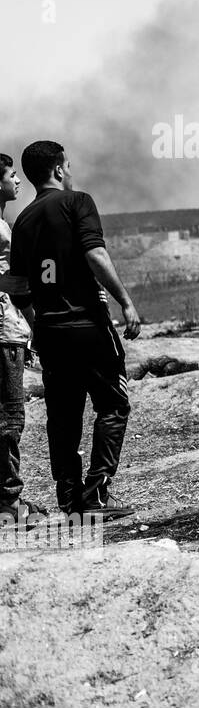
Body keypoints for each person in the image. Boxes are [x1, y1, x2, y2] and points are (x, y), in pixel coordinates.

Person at [9, 141, 139, 520]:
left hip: (51, 331)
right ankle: (97, 493)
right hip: (88, 326)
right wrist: (126, 302)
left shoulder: (24, 221)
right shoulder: (78, 202)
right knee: (113, 404)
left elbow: (18, 288)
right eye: (68, 164)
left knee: (63, 417)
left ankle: (69, 499)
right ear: (59, 170)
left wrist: (39, 322)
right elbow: (95, 254)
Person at [0, 154, 44, 529]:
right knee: (9, 416)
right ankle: (7, 501)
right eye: (11, 175)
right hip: (3, 333)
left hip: (9, 330)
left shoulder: (3, 224)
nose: (17, 179)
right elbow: (10, 284)